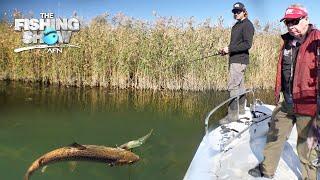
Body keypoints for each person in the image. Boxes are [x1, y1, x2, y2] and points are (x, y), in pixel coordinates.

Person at [248, 4, 320, 179]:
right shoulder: (287, 42)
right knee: (274, 136)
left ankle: (309, 177)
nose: (291, 26)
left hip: (308, 106)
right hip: (286, 102)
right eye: (288, 22)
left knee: (307, 149)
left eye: (295, 21)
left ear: (306, 20)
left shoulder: (317, 40)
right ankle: (266, 168)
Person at [219, 2, 255, 124]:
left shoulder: (247, 25)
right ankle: (241, 111)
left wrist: (230, 49)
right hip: (235, 58)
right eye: (234, 12)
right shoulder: (238, 25)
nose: (236, 13)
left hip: (239, 60)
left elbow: (247, 44)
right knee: (239, 85)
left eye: (238, 11)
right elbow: (236, 44)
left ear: (244, 11)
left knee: (232, 86)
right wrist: (226, 50)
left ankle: (232, 116)